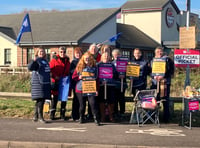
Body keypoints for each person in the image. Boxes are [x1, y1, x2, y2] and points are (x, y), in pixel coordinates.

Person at [72, 51, 100, 125]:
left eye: (88, 58)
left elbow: (97, 79)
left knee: (93, 103)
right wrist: (79, 77)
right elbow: (73, 77)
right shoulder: (79, 67)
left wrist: (97, 89)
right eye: (85, 59)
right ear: (83, 59)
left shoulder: (94, 67)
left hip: (91, 88)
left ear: (91, 59)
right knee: (82, 105)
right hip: (80, 88)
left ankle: (96, 119)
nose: (87, 60)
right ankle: (81, 117)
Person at [150, 46, 174, 123]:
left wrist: (163, 76)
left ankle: (166, 118)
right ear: (155, 53)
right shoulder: (152, 61)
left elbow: (171, 71)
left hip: (165, 83)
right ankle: (154, 118)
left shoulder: (168, 60)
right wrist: (153, 76)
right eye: (157, 52)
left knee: (165, 101)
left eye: (161, 52)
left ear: (163, 52)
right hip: (155, 82)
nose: (159, 53)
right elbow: (149, 71)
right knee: (154, 100)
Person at [28, 46, 51, 123]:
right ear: (37, 53)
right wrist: (33, 61)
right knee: (40, 100)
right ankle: (40, 117)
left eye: (43, 51)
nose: (42, 53)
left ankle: (35, 116)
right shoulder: (37, 61)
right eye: (40, 51)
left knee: (40, 100)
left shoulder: (45, 61)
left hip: (45, 83)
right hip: (38, 83)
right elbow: (30, 68)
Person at [49, 46, 70, 120]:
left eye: (64, 52)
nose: (62, 53)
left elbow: (68, 71)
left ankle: (62, 114)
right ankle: (52, 114)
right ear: (58, 52)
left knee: (63, 99)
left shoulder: (67, 61)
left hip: (64, 82)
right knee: (55, 99)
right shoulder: (54, 60)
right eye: (61, 52)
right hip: (56, 81)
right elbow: (50, 70)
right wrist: (55, 76)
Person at [98, 52, 118, 122]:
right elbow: (96, 75)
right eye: (104, 56)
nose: (106, 57)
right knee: (102, 101)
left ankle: (111, 116)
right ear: (102, 57)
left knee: (111, 101)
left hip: (110, 85)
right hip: (102, 85)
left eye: (107, 56)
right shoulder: (99, 65)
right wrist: (101, 82)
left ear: (109, 57)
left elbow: (116, 75)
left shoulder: (112, 65)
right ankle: (103, 116)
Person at [112, 49, 127, 119]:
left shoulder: (124, 62)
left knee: (121, 98)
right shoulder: (112, 63)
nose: (116, 56)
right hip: (114, 83)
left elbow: (129, 71)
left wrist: (124, 75)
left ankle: (122, 112)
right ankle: (115, 112)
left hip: (122, 83)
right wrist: (116, 76)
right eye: (115, 55)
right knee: (114, 99)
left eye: (118, 54)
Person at [69, 47, 83, 121]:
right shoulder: (73, 62)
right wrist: (77, 70)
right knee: (76, 100)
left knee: (81, 100)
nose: (78, 54)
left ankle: (81, 115)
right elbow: (71, 72)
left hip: (83, 83)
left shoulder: (83, 61)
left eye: (79, 53)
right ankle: (75, 115)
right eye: (76, 53)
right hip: (76, 83)